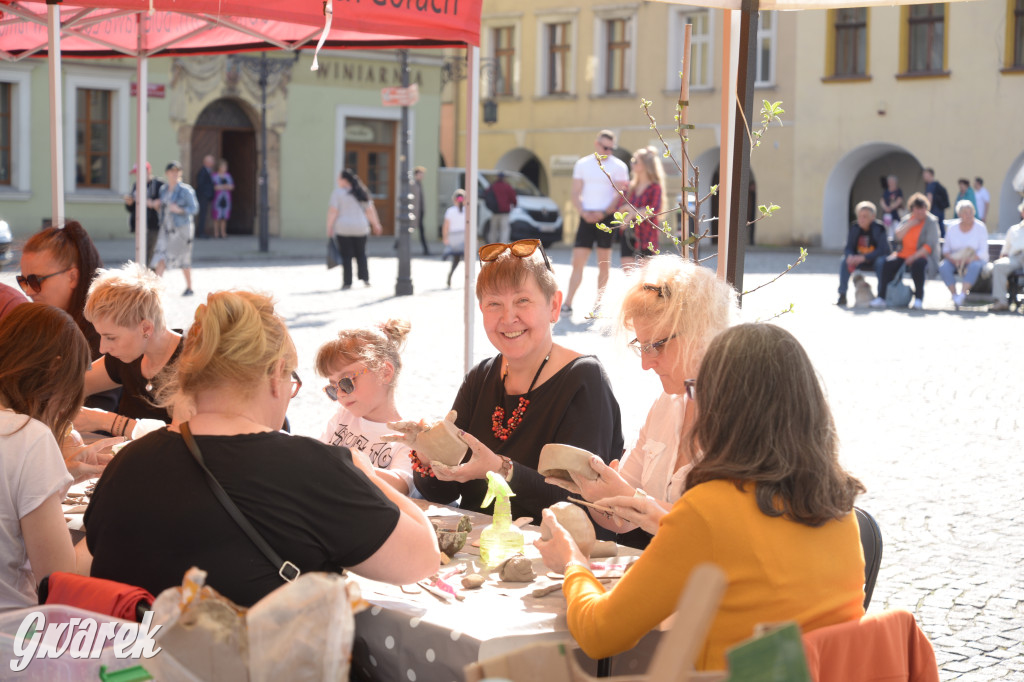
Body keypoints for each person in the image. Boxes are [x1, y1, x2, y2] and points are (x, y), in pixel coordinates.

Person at [535, 323, 866, 671]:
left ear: (720, 409)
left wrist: (573, 563)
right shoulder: (838, 507)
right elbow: (747, 556)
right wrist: (662, 519)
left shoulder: (711, 508)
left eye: (695, 391)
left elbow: (600, 633)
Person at [81, 290, 439, 607]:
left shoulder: (127, 463)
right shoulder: (309, 468)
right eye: (291, 381)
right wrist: (361, 469)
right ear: (275, 375)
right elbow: (422, 558)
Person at [393, 240, 625, 522]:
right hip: (480, 548)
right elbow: (440, 493)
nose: (508, 317)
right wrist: (430, 454)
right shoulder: (480, 378)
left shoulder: (583, 379)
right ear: (481, 310)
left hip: (555, 553)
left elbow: (582, 502)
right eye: (494, 304)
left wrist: (502, 469)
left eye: (522, 301)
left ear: (554, 306)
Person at [549, 256, 736, 549]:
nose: (646, 364)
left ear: (701, 333)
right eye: (641, 346)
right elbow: (621, 520)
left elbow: (723, 531)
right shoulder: (668, 404)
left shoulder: (743, 414)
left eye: (657, 345)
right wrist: (594, 493)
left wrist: (633, 500)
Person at [0, 304, 99, 609]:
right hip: (14, 635)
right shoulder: (26, 436)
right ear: (55, 369)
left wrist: (59, 478)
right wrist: (114, 525)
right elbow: (59, 580)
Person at [18, 222, 118, 411]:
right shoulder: (40, 325)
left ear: (72, 277)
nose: (29, 291)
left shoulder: (104, 333)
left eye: (35, 281)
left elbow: (98, 408)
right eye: (23, 281)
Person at [75, 263, 183, 437]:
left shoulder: (192, 362)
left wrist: (105, 420)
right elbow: (72, 386)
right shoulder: (128, 355)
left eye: (111, 337)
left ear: (146, 328)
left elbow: (180, 436)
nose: (103, 348)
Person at [316, 319, 416, 495]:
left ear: (385, 372)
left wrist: (347, 462)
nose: (340, 393)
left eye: (346, 382)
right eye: (332, 388)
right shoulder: (343, 416)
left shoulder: (407, 434)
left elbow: (402, 485)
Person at [563, 130, 630, 315]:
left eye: (611, 148)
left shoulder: (619, 166)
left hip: (607, 218)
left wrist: (604, 212)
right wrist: (583, 212)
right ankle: (568, 302)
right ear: (596, 144)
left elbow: (621, 194)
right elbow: (575, 192)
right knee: (577, 261)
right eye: (605, 147)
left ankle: (599, 304)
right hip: (586, 216)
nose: (608, 151)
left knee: (604, 263)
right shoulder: (583, 164)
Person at [875, 193, 940, 310]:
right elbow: (897, 238)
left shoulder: (931, 222)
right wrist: (910, 224)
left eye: (923, 208)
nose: (920, 211)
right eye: (917, 209)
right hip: (903, 255)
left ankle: (919, 298)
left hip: (923, 257)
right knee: (887, 263)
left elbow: (929, 246)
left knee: (918, 265)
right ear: (912, 209)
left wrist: (914, 257)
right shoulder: (907, 220)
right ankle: (882, 297)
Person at [326, 168, 383, 290]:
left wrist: (329, 226)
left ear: (344, 180)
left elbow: (333, 212)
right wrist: (376, 224)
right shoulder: (361, 191)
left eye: (339, 178)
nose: (337, 180)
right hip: (361, 228)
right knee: (361, 254)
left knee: (346, 256)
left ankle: (347, 282)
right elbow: (370, 210)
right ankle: (365, 278)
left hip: (343, 228)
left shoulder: (338, 193)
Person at [151, 160, 199, 297]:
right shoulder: (163, 190)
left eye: (177, 171)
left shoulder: (186, 190)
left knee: (184, 258)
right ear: (167, 173)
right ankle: (155, 290)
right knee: (161, 255)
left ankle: (189, 287)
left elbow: (194, 208)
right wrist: (157, 205)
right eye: (172, 171)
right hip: (166, 228)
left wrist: (180, 209)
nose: (174, 174)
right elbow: (163, 207)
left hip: (181, 229)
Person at [836, 201, 891, 306]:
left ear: (873, 217)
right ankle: (842, 295)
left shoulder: (879, 229)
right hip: (859, 260)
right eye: (860, 216)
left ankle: (881, 297)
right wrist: (850, 256)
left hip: (874, 260)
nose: (861, 219)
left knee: (881, 262)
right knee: (844, 261)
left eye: (865, 216)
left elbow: (882, 250)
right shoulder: (854, 228)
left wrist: (864, 257)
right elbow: (848, 247)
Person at [619, 146, 666, 267]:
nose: (632, 163)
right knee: (627, 269)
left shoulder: (655, 187)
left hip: (647, 233)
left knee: (646, 273)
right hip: (629, 233)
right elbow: (620, 208)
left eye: (635, 161)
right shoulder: (629, 187)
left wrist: (631, 213)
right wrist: (634, 211)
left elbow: (653, 210)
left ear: (645, 165)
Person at [939, 200, 989, 309]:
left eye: (971, 212)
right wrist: (953, 260)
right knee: (943, 266)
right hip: (955, 260)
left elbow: (983, 252)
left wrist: (968, 260)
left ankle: (962, 294)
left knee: (974, 266)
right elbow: (946, 250)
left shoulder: (980, 227)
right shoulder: (952, 228)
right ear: (959, 214)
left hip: (975, 259)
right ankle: (954, 295)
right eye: (965, 213)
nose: (969, 215)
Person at [988, 199, 1024, 312]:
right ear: (1022, 213)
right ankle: (1001, 302)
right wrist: (1003, 258)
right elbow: (1005, 251)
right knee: (999, 266)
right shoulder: (1014, 230)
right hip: (1015, 258)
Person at [124, 162, 163, 265]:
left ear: (148, 171)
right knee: (141, 252)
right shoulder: (136, 185)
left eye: (139, 173)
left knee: (150, 253)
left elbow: (163, 203)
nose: (137, 176)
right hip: (139, 224)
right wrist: (130, 203)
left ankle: (148, 276)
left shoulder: (158, 184)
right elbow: (131, 208)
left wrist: (150, 202)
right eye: (135, 174)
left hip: (154, 225)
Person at [442, 189, 468, 288]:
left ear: (454, 200)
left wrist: (445, 238)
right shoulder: (467, 211)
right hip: (464, 238)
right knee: (467, 260)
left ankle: (450, 276)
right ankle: (468, 278)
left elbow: (446, 226)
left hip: (453, 238)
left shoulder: (450, 211)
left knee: (455, 260)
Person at [483, 171, 518, 244]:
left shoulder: (492, 186)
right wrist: (514, 204)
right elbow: (513, 197)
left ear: (497, 177)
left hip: (495, 212)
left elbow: (486, 195)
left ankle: (492, 245)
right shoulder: (507, 187)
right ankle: (503, 245)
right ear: (504, 178)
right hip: (505, 212)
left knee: (493, 230)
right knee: (504, 230)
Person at [211, 158, 234, 240]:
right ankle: (216, 233)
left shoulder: (228, 176)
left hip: (226, 198)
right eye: (223, 166)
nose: (225, 168)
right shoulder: (214, 176)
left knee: (224, 216)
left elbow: (232, 186)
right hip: (217, 198)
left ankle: (223, 233)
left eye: (225, 166)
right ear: (219, 167)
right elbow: (213, 187)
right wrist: (224, 187)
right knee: (217, 216)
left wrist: (222, 187)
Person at [922, 168, 950, 236]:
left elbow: (929, 198)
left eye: (925, 175)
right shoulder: (937, 185)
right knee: (941, 229)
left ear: (930, 175)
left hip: (934, 211)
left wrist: (926, 211)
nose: (924, 177)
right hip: (940, 211)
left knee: (934, 230)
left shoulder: (931, 185)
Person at [194, 154, 215, 239]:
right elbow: (201, 184)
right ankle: (200, 232)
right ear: (207, 162)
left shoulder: (208, 171)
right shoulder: (203, 171)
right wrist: (207, 194)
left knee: (204, 214)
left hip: (205, 197)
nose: (213, 162)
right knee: (202, 215)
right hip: (202, 197)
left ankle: (202, 232)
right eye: (211, 161)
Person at [412, 166, 430, 255]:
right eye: (421, 174)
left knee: (420, 230)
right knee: (411, 229)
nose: (422, 176)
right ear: (416, 174)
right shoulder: (413, 184)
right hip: (415, 212)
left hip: (420, 211)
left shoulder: (419, 183)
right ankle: (426, 250)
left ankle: (426, 249)